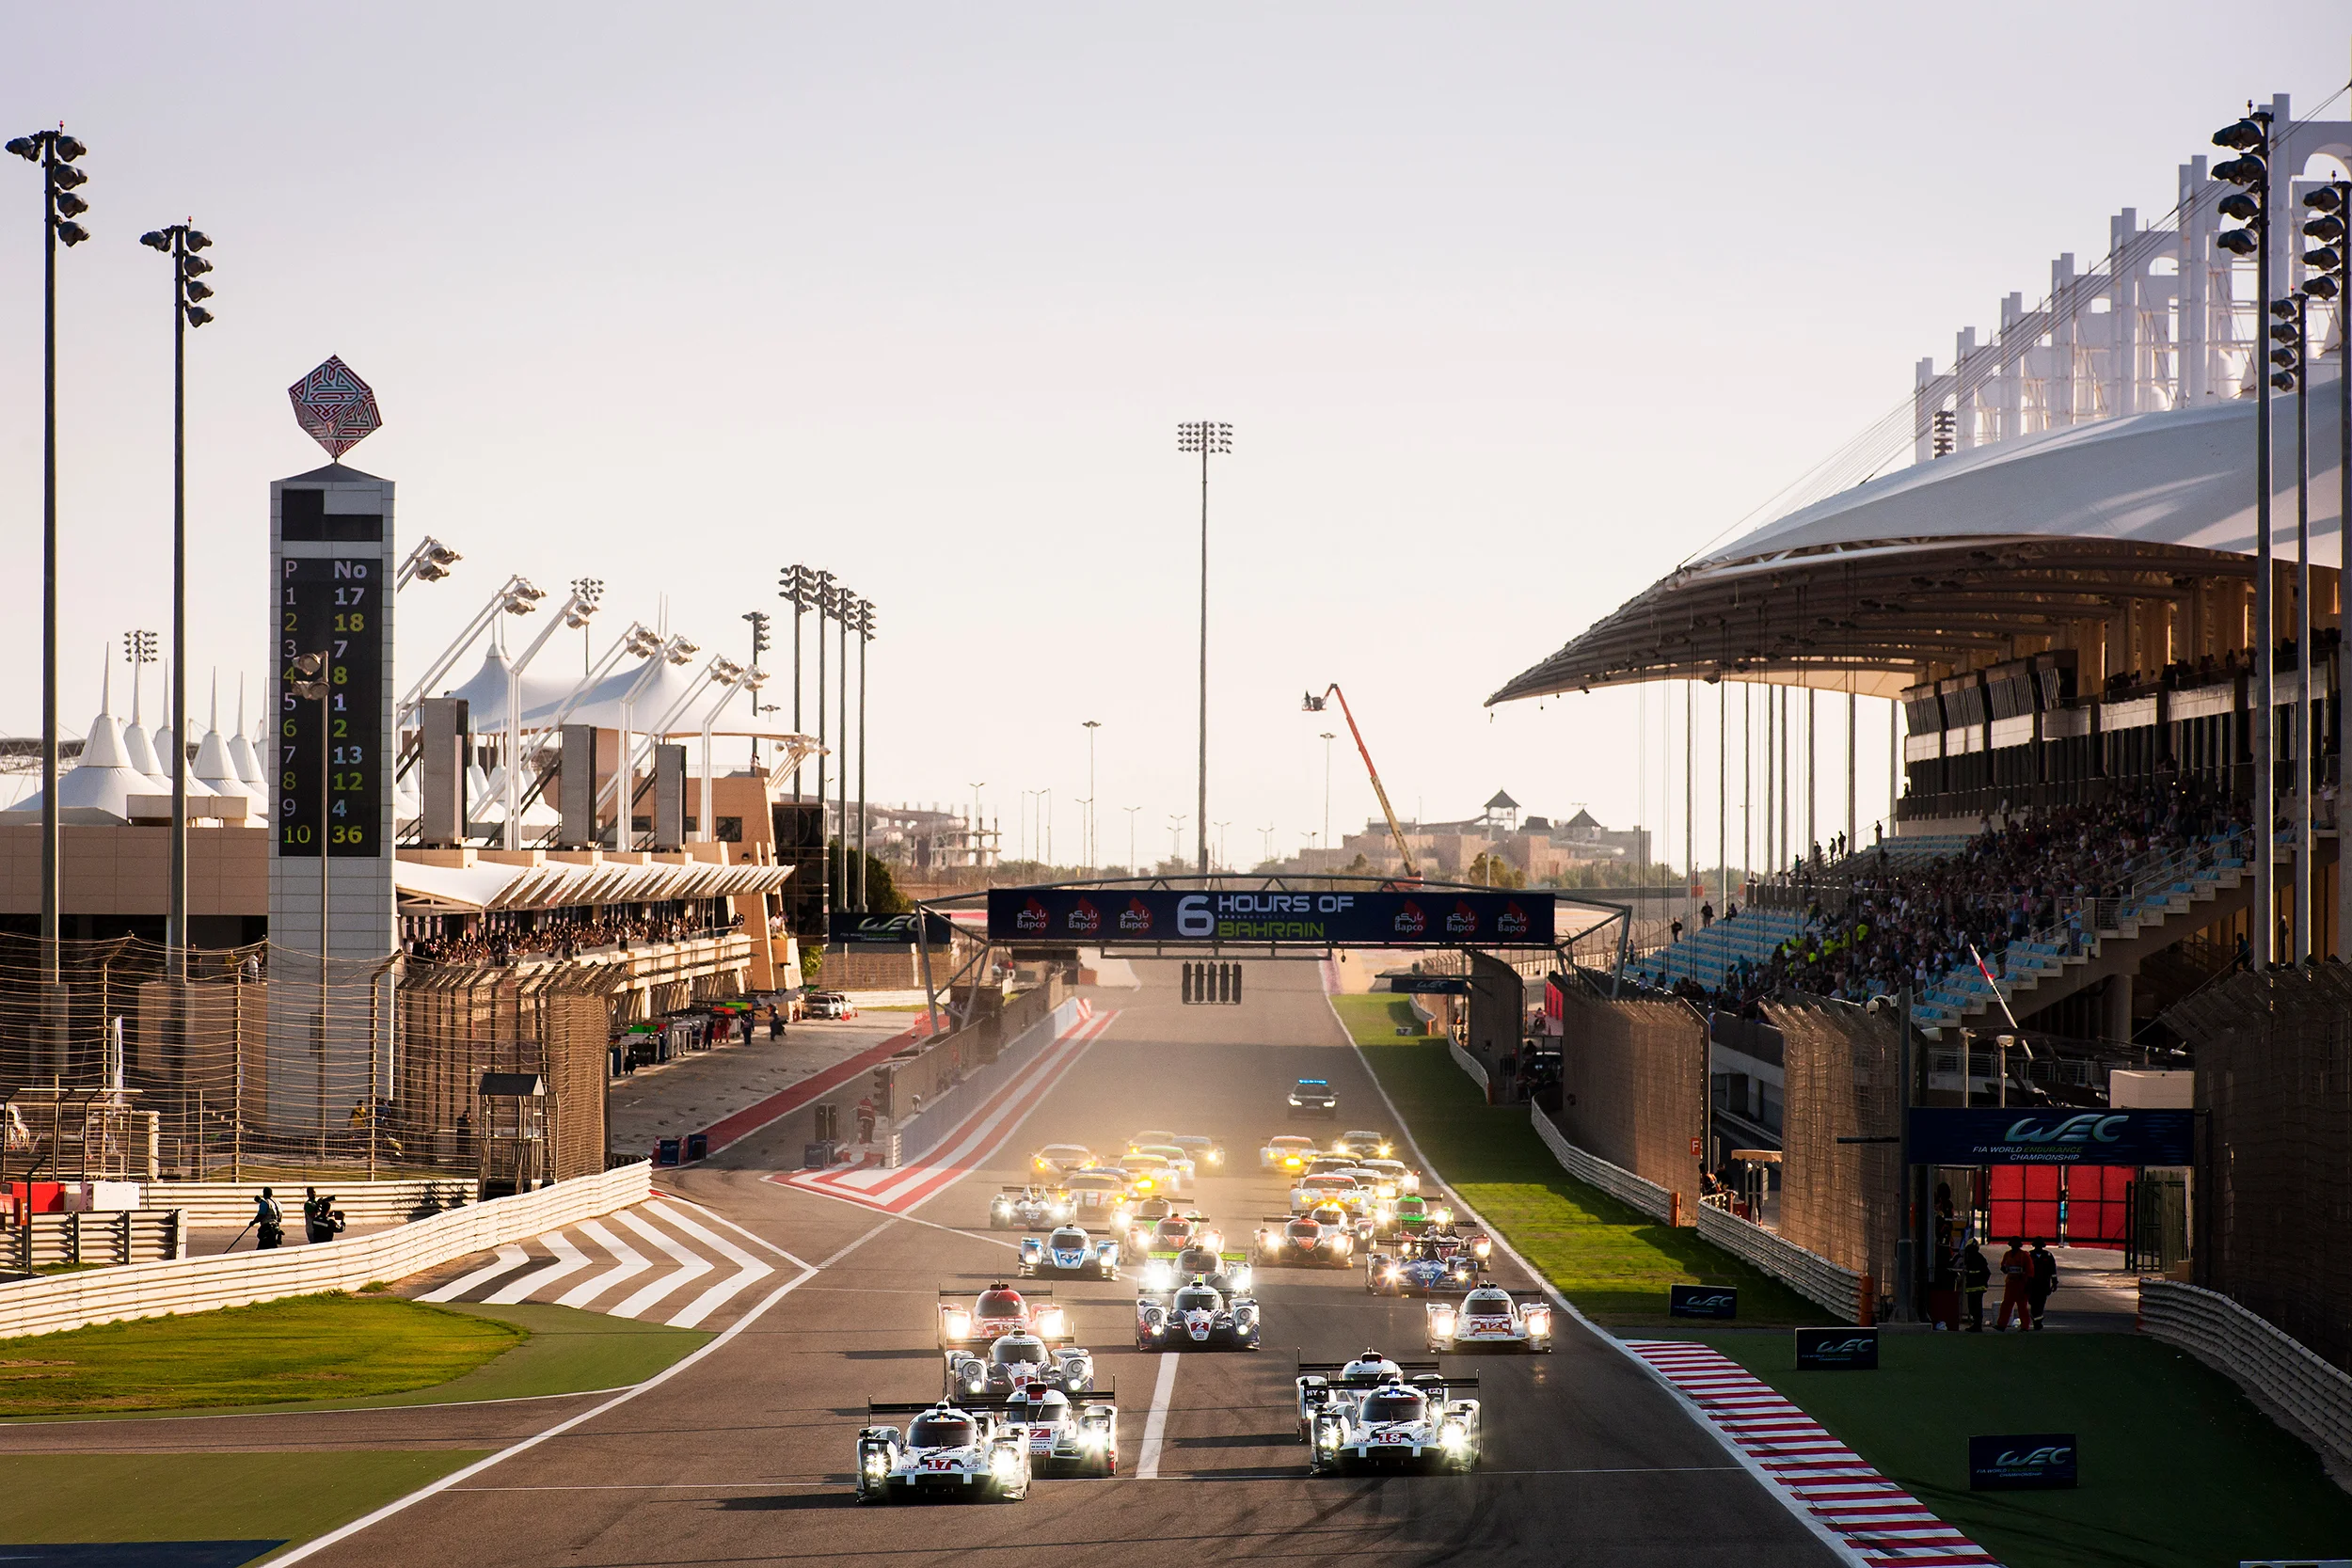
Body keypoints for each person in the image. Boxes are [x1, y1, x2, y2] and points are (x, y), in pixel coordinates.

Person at [1994, 1237, 2031, 1331]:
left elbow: (2030, 1271)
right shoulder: (2007, 1254)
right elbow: (2003, 1267)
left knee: (2022, 1306)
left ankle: (2025, 1326)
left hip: (2021, 1283)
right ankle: (2002, 1325)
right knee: (2006, 1305)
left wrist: (2027, 1284)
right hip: (2010, 1283)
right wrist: (2004, 1269)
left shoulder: (2024, 1255)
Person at [2027, 1238, 2058, 1330]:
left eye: (2040, 1246)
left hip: (2044, 1284)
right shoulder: (2029, 1255)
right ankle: (2037, 1320)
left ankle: (2038, 1322)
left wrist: (2054, 1282)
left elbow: (2053, 1270)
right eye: (2037, 1245)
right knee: (2032, 1303)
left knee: (2040, 1304)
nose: (2038, 1247)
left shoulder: (2048, 1256)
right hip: (2032, 1284)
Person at [1962, 1241, 1990, 1331]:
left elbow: (1986, 1272)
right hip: (1973, 1286)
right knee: (1973, 1306)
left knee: (1975, 1306)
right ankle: (1976, 1324)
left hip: (1976, 1286)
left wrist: (1983, 1283)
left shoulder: (1977, 1257)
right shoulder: (1972, 1257)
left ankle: (1977, 1325)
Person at [254, 1186, 284, 1250]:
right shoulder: (278, 1203)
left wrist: (253, 1221)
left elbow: (261, 1215)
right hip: (276, 1226)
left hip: (267, 1227)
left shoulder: (265, 1203)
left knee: (263, 1246)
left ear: (264, 1194)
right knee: (271, 1245)